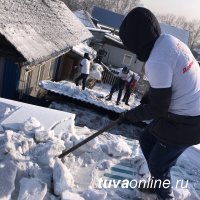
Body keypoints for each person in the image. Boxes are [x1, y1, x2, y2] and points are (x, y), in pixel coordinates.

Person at [119, 7, 200, 199]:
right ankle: (159, 179)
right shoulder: (169, 41)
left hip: (190, 122)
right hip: (184, 110)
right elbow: (166, 86)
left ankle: (165, 194)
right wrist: (148, 99)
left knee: (157, 164)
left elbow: (158, 108)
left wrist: (130, 115)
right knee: (146, 139)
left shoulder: (156, 61)